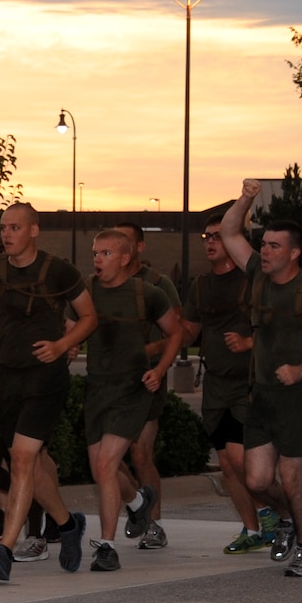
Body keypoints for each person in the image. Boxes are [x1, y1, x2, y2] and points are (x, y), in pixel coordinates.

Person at [219, 179, 302, 578]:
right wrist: (247, 198)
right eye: (265, 243)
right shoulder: (257, 272)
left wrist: (301, 370)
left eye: (275, 246)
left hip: (300, 399)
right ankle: (290, 520)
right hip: (263, 398)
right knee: (256, 480)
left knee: (292, 480)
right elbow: (229, 232)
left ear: (294, 253)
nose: (265, 250)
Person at [0, 203, 96, 583]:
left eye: (15, 228)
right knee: (32, 466)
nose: (7, 234)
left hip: (45, 377)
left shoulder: (59, 270)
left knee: (22, 460)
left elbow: (90, 317)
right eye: (4, 228)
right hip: (7, 377)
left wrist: (61, 345)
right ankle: (67, 525)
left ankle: (4, 552)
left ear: (34, 231)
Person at [79, 229, 183, 571]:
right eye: (96, 253)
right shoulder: (86, 292)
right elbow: (70, 326)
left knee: (107, 465)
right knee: (100, 469)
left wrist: (161, 369)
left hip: (132, 389)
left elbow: (176, 332)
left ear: (125, 258)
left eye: (106, 253)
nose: (98, 259)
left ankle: (107, 547)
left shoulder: (146, 293)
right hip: (97, 389)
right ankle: (138, 501)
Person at [184, 217, 280, 553]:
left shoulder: (253, 281)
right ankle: (253, 529)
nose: (210, 242)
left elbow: (278, 325)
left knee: (243, 462)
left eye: (217, 236)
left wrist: (248, 343)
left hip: (249, 384)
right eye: (205, 237)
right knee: (227, 465)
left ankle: (279, 514)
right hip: (215, 385)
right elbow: (187, 330)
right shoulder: (200, 286)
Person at [113, 221, 183, 548]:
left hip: (147, 381)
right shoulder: (104, 284)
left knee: (141, 454)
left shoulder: (158, 284)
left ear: (139, 247)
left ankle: (153, 524)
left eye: (125, 241)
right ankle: (136, 504)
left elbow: (177, 333)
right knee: (107, 457)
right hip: (110, 383)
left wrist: (148, 353)